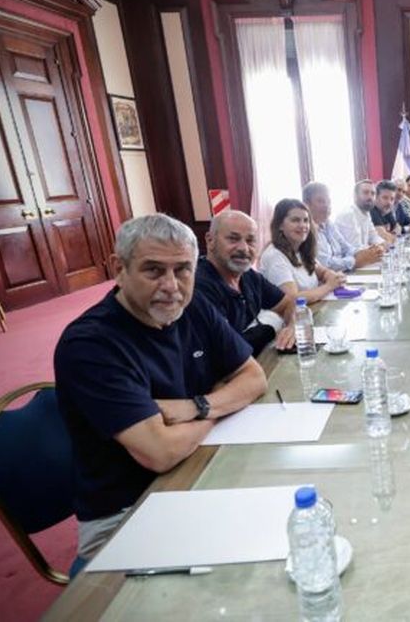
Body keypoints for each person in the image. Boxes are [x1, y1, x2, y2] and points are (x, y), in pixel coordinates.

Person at [55, 214, 267, 572]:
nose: (171, 286)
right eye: (153, 270)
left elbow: (254, 378)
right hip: (125, 511)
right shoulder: (90, 345)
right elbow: (161, 452)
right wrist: (220, 407)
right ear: (119, 269)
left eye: (183, 270)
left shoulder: (192, 305)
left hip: (194, 467)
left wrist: (197, 406)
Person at [194, 210, 295, 355]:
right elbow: (227, 351)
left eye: (250, 240)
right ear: (210, 241)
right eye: (233, 239)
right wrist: (271, 326)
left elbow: (289, 304)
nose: (244, 248)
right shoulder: (199, 287)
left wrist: (292, 327)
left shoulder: (248, 275)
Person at [259, 198, 347, 305]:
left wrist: (333, 277)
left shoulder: (300, 250)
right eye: (295, 220)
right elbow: (292, 299)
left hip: (310, 310)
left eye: (306, 220)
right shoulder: (274, 256)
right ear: (280, 225)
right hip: (288, 315)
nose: (302, 225)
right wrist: (329, 286)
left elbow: (322, 272)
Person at [303, 181, 384, 272]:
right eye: (321, 201)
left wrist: (368, 252)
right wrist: (355, 261)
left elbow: (346, 248)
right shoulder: (305, 230)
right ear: (306, 204)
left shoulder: (328, 224)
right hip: (327, 278)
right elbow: (325, 264)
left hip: (342, 273)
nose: (327, 205)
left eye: (328, 201)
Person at [335, 179, 385, 250]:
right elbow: (355, 249)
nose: (370, 197)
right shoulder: (348, 215)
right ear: (355, 196)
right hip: (349, 256)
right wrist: (377, 249)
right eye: (365, 192)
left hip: (363, 254)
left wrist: (386, 245)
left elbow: (373, 236)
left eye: (373, 193)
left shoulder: (366, 212)